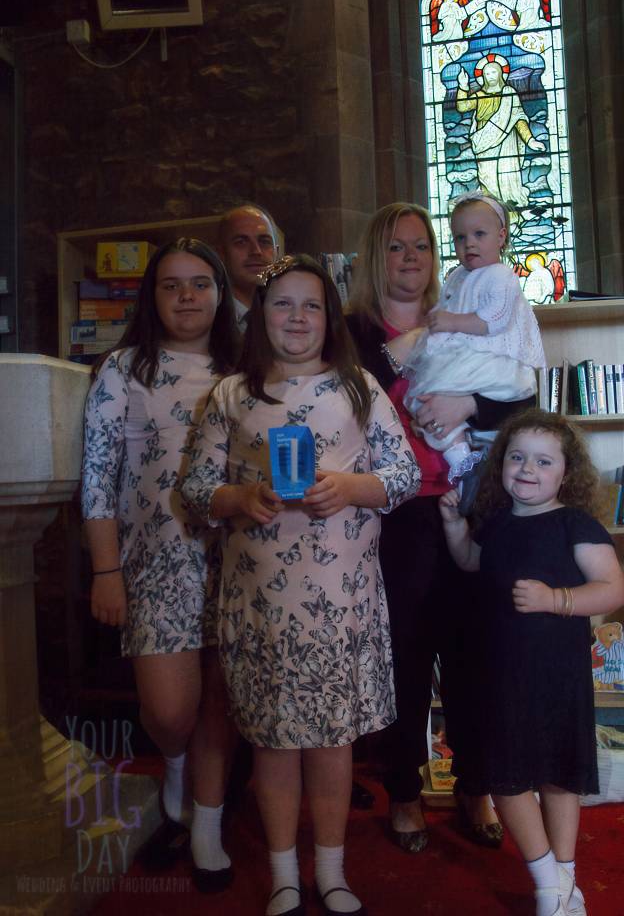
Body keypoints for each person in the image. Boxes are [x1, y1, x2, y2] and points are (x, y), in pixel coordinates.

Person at [181, 254, 421, 916]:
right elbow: (196, 490)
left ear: (329, 317)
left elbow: (404, 476)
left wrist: (349, 487)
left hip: (340, 603)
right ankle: (285, 873)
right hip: (261, 605)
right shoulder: (232, 394)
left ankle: (332, 872)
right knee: (274, 743)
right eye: (282, 303)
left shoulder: (358, 388)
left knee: (332, 744)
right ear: (261, 314)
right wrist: (241, 496)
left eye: (311, 305)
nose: (296, 317)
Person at [345, 202, 535, 855]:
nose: (412, 258)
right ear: (377, 257)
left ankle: (475, 786)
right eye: (397, 246)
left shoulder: (466, 311)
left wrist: (468, 404)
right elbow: (348, 402)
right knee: (405, 654)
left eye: (422, 245)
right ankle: (404, 790)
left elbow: (521, 397)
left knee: (473, 653)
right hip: (394, 511)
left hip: (468, 500)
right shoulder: (354, 332)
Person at [81, 238, 240, 891]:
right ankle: (174, 764)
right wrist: (106, 570)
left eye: (200, 283)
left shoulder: (244, 368)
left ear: (221, 294)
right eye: (171, 285)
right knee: (172, 709)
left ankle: (207, 823)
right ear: (152, 295)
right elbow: (97, 476)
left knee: (220, 700)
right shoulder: (124, 368)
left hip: (237, 560)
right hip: (154, 564)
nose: (186, 296)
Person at [440, 409, 624, 916]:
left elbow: (612, 589)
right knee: (506, 778)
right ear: (500, 463)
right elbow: (471, 562)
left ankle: (562, 883)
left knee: (560, 776)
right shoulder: (497, 522)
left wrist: (555, 600)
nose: (527, 469)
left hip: (556, 673)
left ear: (567, 473)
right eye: (517, 457)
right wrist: (455, 527)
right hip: (500, 672)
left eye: (544, 461)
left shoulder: (575, 524)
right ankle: (549, 884)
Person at [388, 191, 545, 494]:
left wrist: (450, 322)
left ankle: (484, 473)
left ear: (501, 236)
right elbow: (445, 307)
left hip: (488, 361)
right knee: (424, 403)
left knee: (440, 401)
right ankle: (464, 467)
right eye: (460, 237)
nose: (469, 243)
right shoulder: (457, 277)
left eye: (479, 234)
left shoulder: (501, 276)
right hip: (459, 358)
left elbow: (494, 319)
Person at [456, 54, 546, 209]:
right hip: (484, 141)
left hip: (507, 141)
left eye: (494, 72)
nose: (491, 76)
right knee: (487, 178)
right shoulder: (479, 95)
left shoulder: (509, 94)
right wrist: (463, 86)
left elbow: (519, 120)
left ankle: (511, 212)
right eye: (487, 73)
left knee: (508, 178)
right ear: (483, 77)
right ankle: (489, 212)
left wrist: (531, 140)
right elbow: (462, 106)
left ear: (500, 74)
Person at [217, 204, 279, 326]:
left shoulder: (290, 318)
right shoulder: (207, 322)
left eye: (264, 242)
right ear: (222, 254)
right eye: (241, 242)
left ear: (277, 253)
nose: (256, 251)